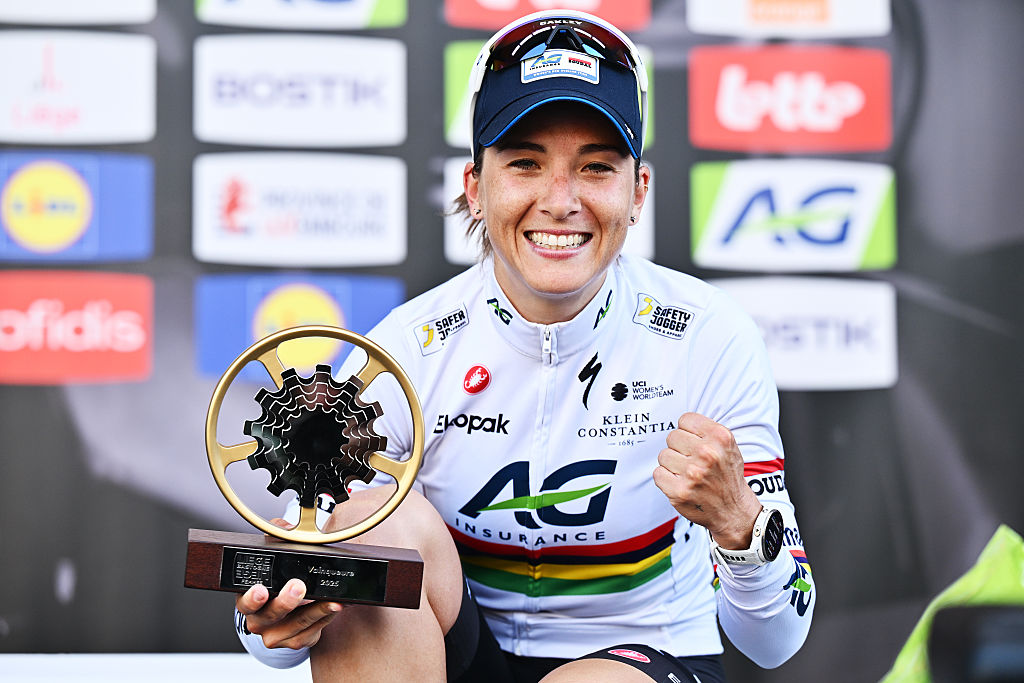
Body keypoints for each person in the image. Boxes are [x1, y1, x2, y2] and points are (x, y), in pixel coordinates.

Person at [233, 10, 814, 682]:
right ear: (475, 188)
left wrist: (741, 526)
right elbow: (275, 622)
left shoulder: (708, 337)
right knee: (368, 526)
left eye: (595, 167)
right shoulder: (408, 348)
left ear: (638, 192)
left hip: (644, 654)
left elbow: (776, 640)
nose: (560, 201)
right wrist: (276, 618)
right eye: (525, 164)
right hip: (460, 650)